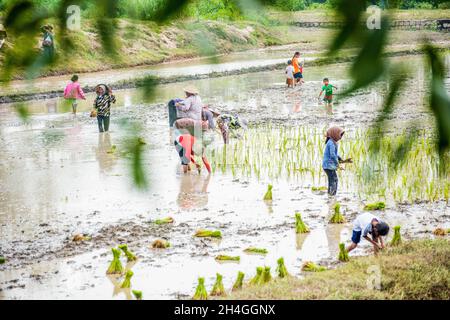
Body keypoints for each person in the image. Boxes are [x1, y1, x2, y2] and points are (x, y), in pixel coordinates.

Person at [322, 126, 352, 196]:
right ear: (334, 134)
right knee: (334, 180)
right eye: (340, 135)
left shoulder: (332, 142)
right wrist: (338, 164)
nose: (341, 137)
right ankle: (332, 196)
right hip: (329, 166)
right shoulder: (331, 143)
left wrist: (341, 159)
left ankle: (330, 196)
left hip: (327, 166)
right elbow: (332, 155)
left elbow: (334, 154)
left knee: (331, 181)